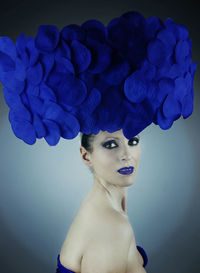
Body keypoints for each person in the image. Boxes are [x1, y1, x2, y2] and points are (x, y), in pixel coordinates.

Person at [57, 129, 147, 273]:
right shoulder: (111, 226)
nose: (127, 155)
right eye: (111, 145)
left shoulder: (105, 207)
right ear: (86, 156)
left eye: (133, 141)